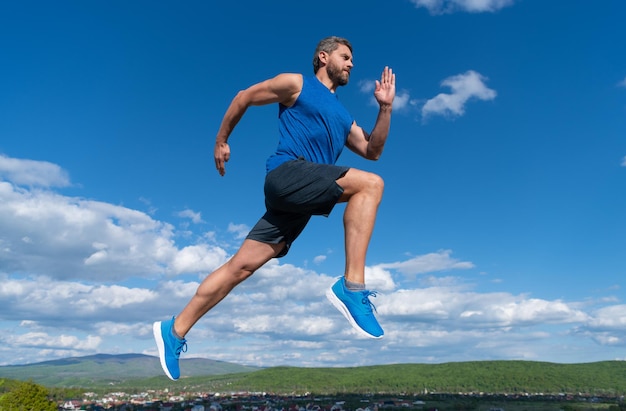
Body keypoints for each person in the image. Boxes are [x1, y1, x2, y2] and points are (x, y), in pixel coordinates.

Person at [153, 36, 396, 381]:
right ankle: (352, 288)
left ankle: (173, 330)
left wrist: (385, 108)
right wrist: (222, 139)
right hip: (287, 174)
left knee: (241, 267)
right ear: (323, 57)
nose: (352, 64)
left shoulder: (344, 116)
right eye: (345, 57)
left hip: (301, 199)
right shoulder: (296, 84)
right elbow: (245, 97)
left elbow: (372, 150)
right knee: (372, 185)